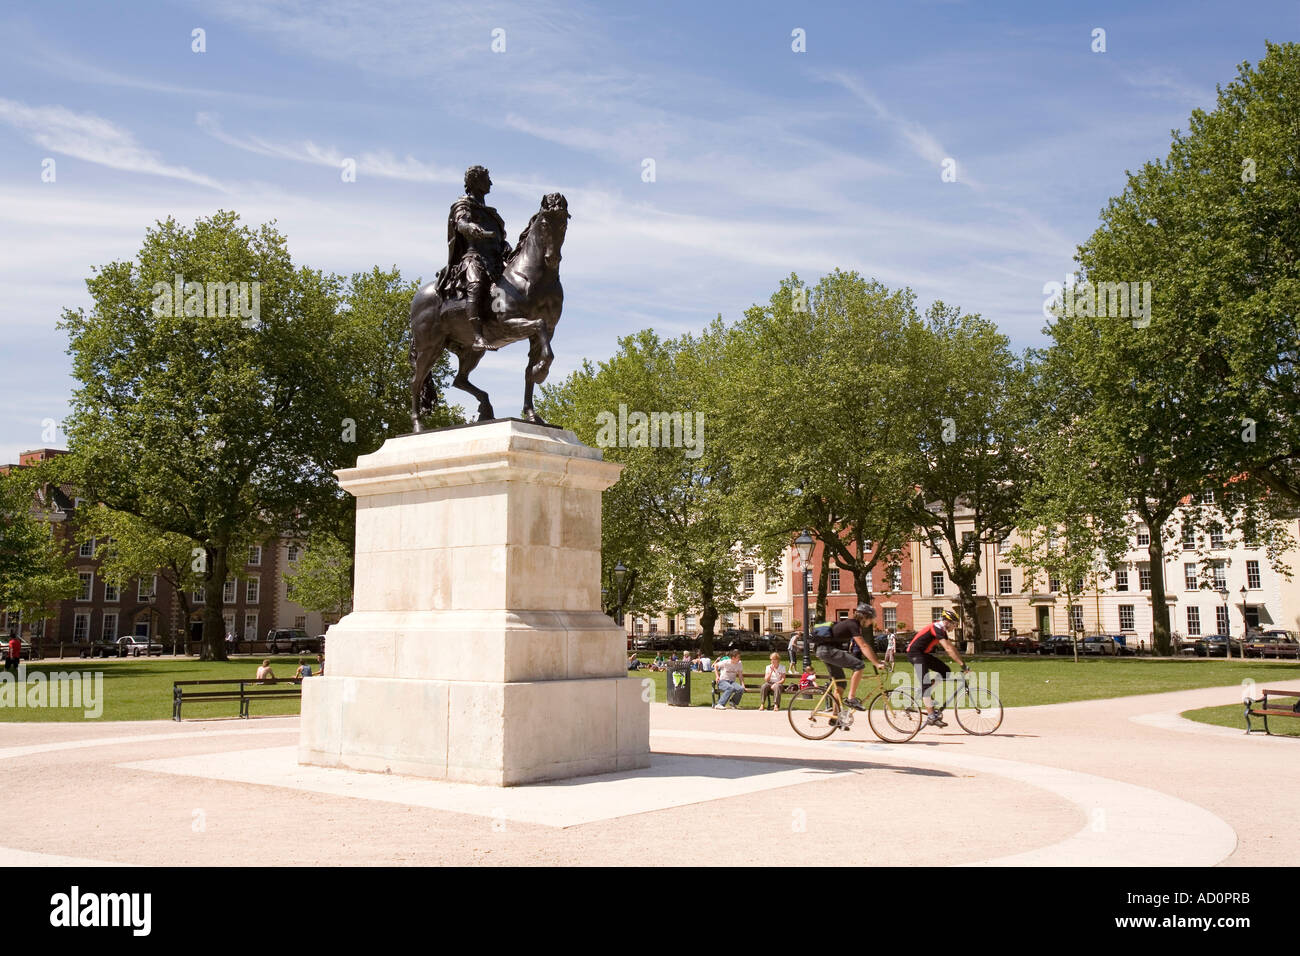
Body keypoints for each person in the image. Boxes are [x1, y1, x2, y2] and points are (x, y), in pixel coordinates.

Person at [435, 165, 512, 351]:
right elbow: (460, 222)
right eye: (487, 179)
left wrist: (507, 248)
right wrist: (470, 228)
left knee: (513, 287)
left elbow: (500, 240)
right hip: (473, 257)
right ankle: (477, 336)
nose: (491, 183)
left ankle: (503, 325)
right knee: (476, 285)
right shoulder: (464, 205)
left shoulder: (492, 214)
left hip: (495, 261)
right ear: (475, 181)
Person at [810, 603, 886, 713]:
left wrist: (877, 661)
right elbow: (863, 646)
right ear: (865, 617)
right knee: (859, 665)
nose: (871, 622)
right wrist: (876, 664)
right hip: (827, 650)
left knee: (840, 684)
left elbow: (866, 645)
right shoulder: (853, 624)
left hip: (823, 651)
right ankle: (851, 698)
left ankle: (835, 718)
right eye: (871, 619)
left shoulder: (852, 624)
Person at [906, 609, 968, 727]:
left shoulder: (942, 631)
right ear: (947, 622)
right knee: (925, 685)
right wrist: (962, 665)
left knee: (945, 671)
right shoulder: (936, 628)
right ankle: (931, 717)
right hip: (914, 654)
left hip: (923, 654)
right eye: (954, 624)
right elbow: (948, 650)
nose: (954, 627)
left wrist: (963, 662)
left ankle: (926, 690)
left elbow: (952, 647)